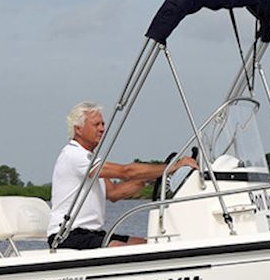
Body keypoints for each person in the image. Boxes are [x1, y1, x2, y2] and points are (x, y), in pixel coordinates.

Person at [48, 102, 196, 249]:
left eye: (103, 124)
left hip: (91, 233)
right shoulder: (74, 155)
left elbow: (114, 193)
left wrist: (150, 178)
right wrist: (173, 167)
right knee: (122, 248)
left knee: (146, 243)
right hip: (67, 235)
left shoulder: (91, 160)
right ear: (78, 129)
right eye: (96, 124)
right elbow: (125, 172)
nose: (102, 129)